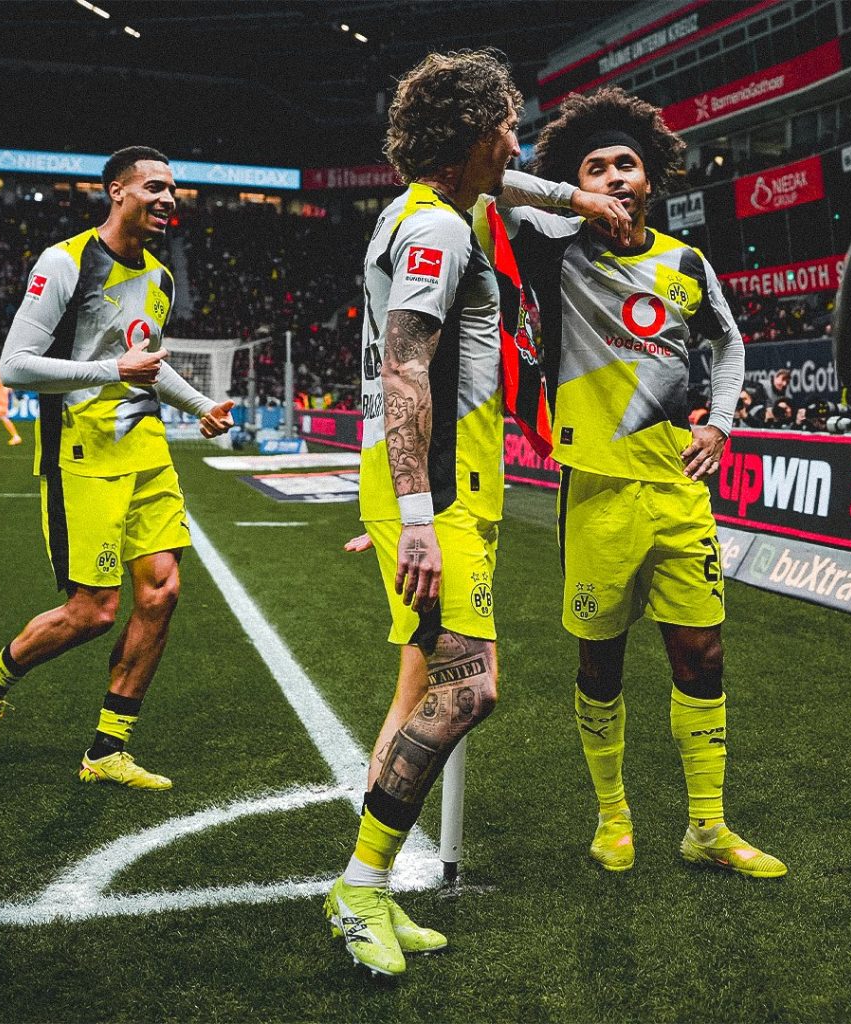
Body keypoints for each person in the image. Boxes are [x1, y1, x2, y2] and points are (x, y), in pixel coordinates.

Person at [323, 50, 629, 978]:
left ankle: (372, 884)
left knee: (443, 687)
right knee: (469, 690)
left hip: (448, 493)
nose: (518, 138)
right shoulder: (440, 234)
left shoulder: (450, 209)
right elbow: (406, 367)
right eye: (506, 124)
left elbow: (524, 184)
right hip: (439, 497)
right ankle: (360, 885)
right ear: (469, 137)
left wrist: (582, 203)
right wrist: (415, 515)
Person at [501, 86, 786, 878]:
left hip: (677, 497)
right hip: (596, 494)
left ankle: (707, 827)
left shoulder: (685, 264)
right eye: (597, 167)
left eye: (627, 164)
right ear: (577, 183)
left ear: (651, 180)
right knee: (600, 665)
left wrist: (720, 425)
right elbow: (492, 179)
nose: (616, 176)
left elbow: (728, 349)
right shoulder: (553, 247)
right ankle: (612, 818)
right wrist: (571, 198)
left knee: (703, 659)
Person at [0, 146, 234, 789]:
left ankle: (108, 749)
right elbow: (18, 365)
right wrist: (111, 371)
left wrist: (200, 406)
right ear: (116, 190)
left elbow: (149, 361)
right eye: (154, 188)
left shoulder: (161, 280)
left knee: (162, 591)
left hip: (146, 452)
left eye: (174, 191)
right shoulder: (65, 262)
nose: (168, 200)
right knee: (94, 611)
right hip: (79, 453)